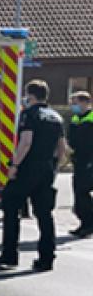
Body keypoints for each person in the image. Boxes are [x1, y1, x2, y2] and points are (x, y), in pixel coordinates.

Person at [0, 80, 68, 272]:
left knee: (10, 207)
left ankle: (9, 255)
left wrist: (14, 165)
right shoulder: (56, 117)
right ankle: (46, 258)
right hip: (46, 169)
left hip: (27, 168)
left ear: (30, 96)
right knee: (44, 214)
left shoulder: (29, 114)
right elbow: (61, 148)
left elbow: (26, 142)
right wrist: (54, 167)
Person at [67, 90, 93, 237]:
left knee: (83, 191)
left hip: (89, 160)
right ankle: (84, 223)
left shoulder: (91, 118)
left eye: (75, 103)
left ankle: (89, 224)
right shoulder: (76, 118)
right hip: (79, 159)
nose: (73, 106)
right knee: (78, 191)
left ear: (85, 102)